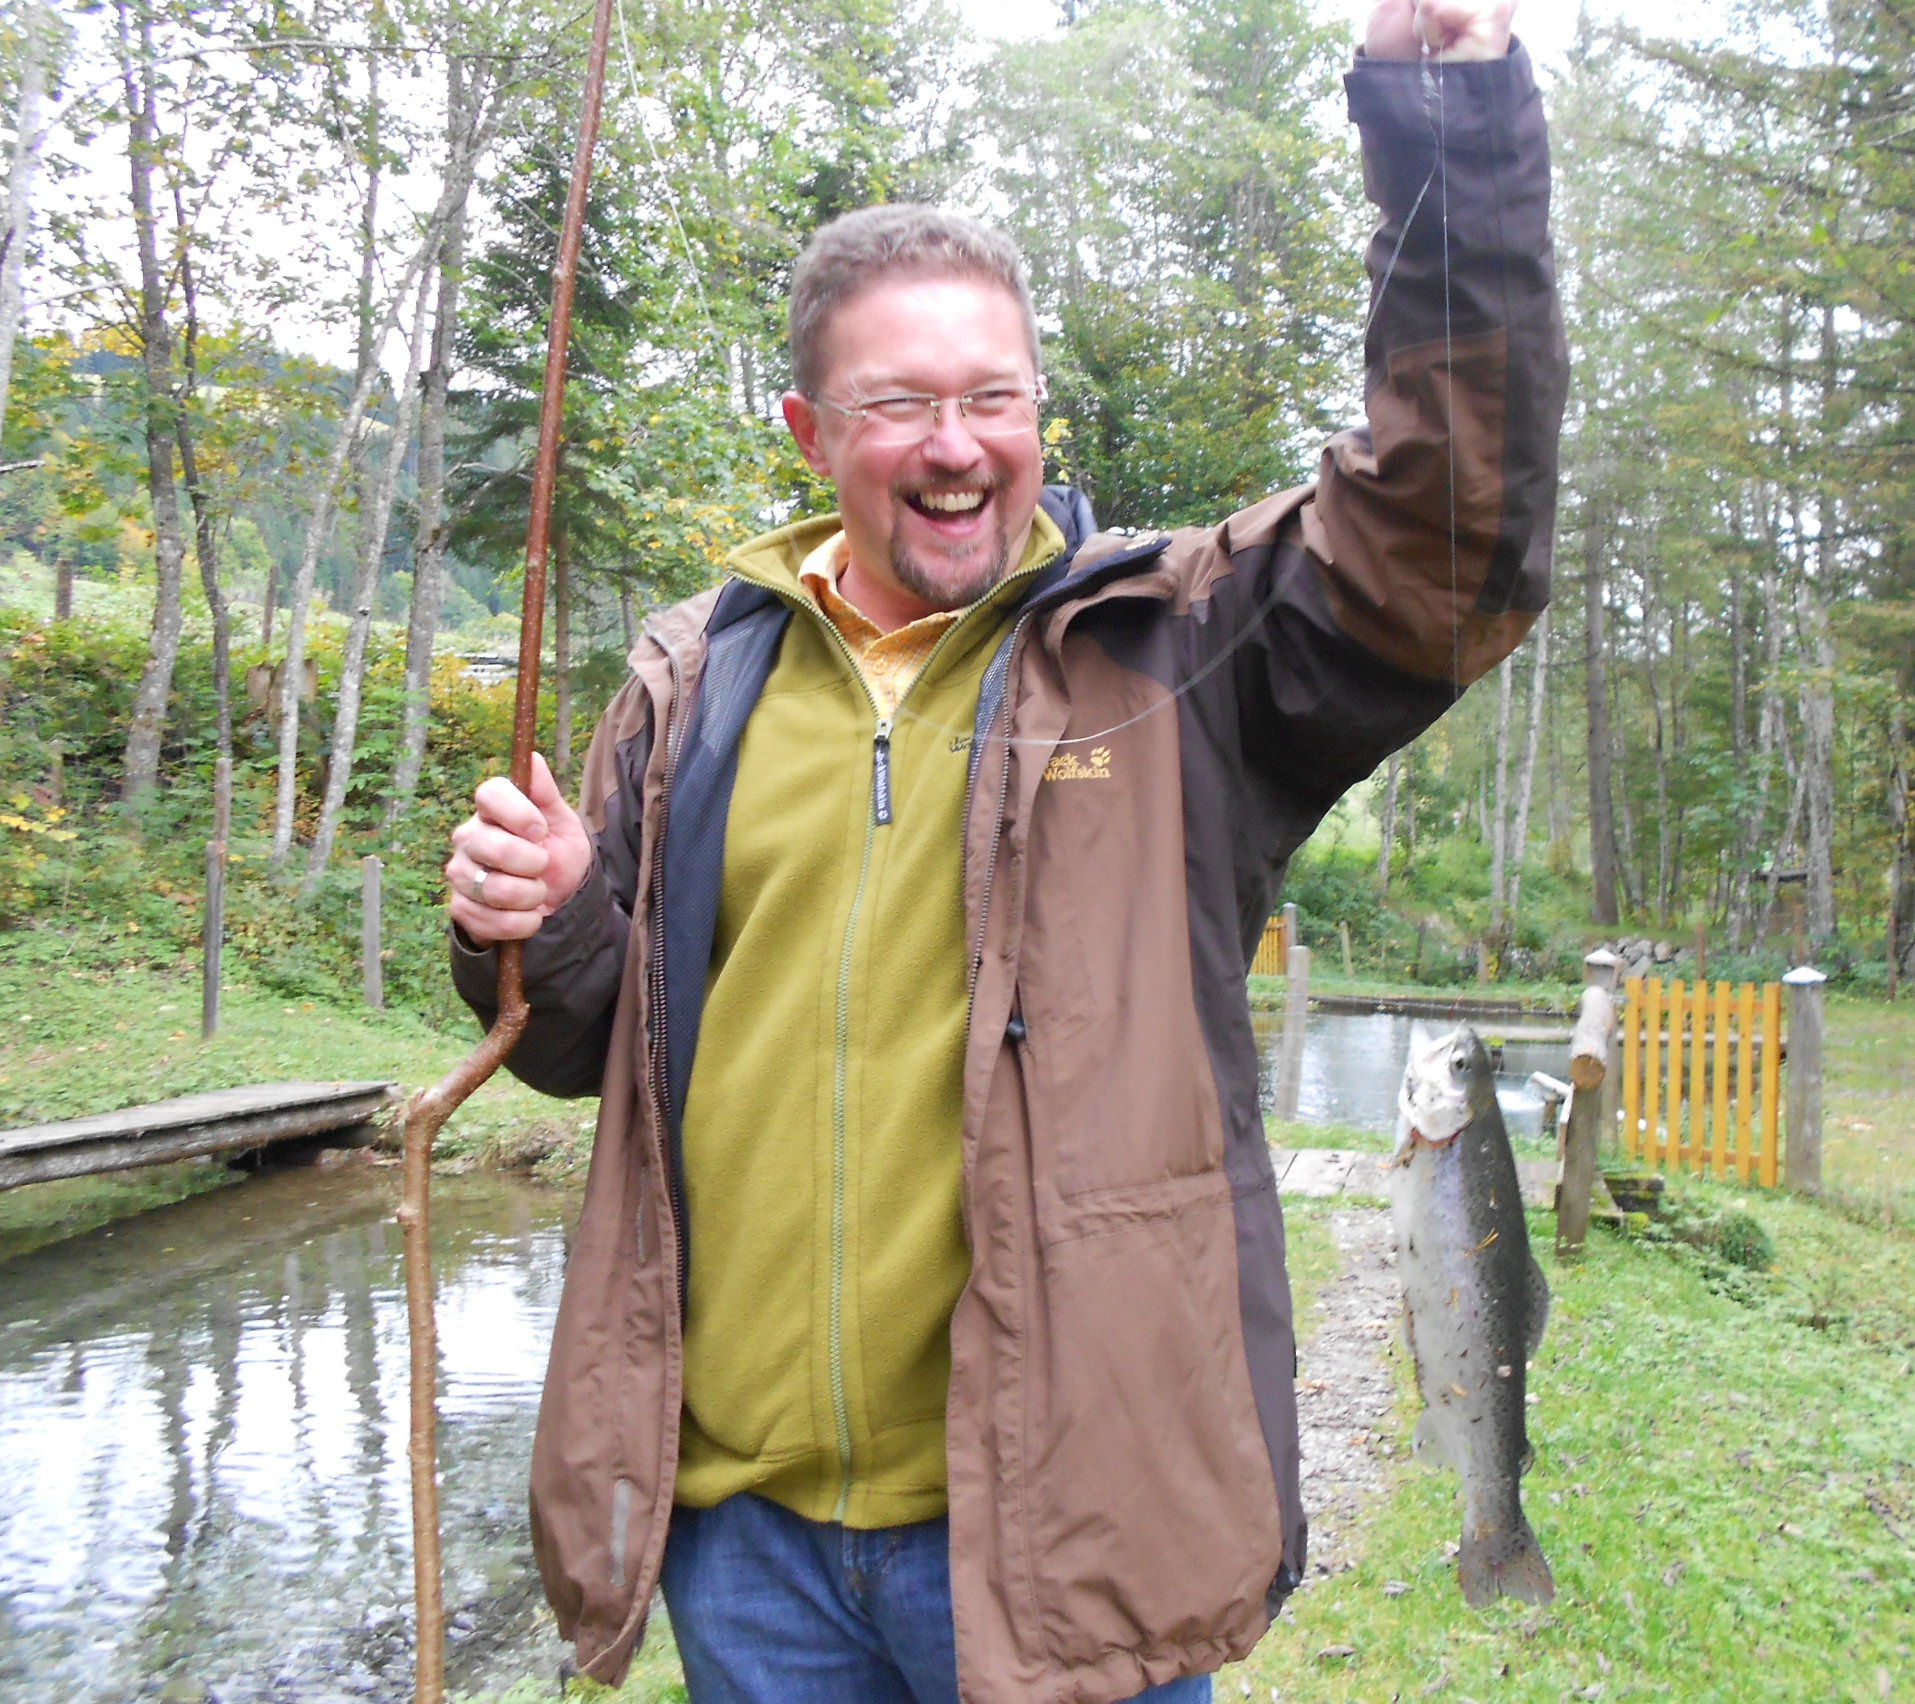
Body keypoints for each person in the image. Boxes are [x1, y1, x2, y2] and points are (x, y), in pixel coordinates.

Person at [444, 2, 1562, 1699]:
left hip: (1065, 1537)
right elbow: (592, 1051)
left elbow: (1451, 535)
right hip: (741, 1545)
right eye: (900, 403)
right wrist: (538, 922)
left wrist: (1448, 117)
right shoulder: (688, 686)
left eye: (994, 397)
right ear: (814, 435)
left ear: (1040, 413)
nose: (958, 445)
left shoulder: (1181, 651)